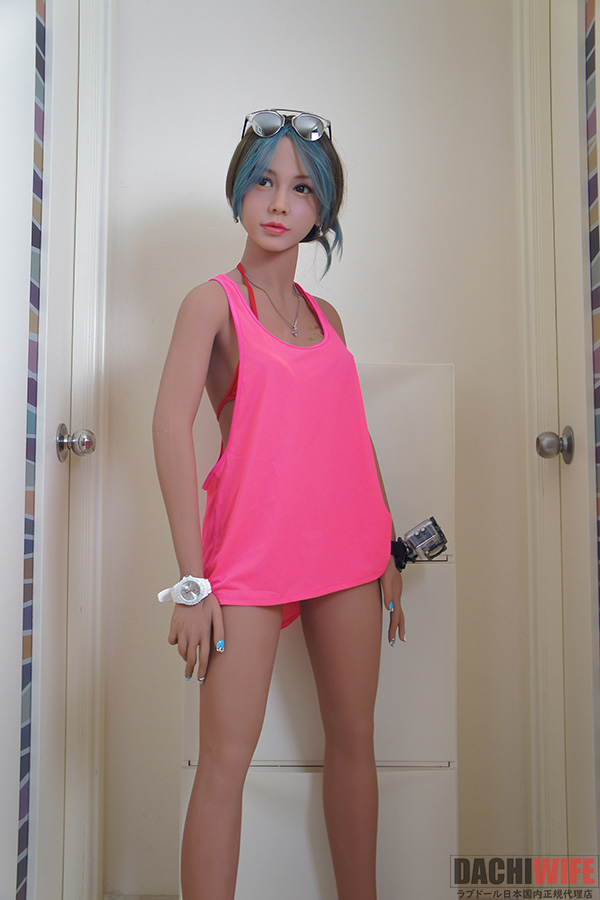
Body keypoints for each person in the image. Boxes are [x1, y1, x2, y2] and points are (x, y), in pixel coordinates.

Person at [152, 108, 406, 900]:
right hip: (249, 560)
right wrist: (192, 582)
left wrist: (386, 543)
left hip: (347, 554)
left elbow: (352, 435)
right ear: (239, 188)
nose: (278, 201)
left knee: (354, 739)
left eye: (301, 188)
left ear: (322, 208)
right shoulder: (211, 303)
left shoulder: (330, 319)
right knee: (224, 763)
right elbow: (169, 427)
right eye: (263, 180)